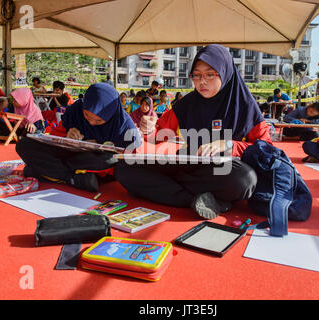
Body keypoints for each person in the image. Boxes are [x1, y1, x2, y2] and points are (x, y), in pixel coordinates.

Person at [115, 44, 271, 220]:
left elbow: (265, 149)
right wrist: (148, 128)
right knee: (124, 169)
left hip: (218, 172)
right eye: (196, 75)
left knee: (245, 179)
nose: (202, 81)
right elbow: (159, 133)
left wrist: (228, 144)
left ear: (225, 72)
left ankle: (168, 191)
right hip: (185, 164)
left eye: (210, 74)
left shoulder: (245, 106)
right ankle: (200, 200)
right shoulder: (187, 104)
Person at [16, 83, 142, 192]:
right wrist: (67, 136)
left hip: (94, 162)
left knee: (109, 160)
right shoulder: (76, 109)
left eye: (98, 120)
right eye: (87, 115)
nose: (92, 123)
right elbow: (54, 137)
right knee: (25, 144)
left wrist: (97, 147)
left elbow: (129, 160)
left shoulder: (124, 125)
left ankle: (46, 172)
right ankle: (72, 179)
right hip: (70, 155)